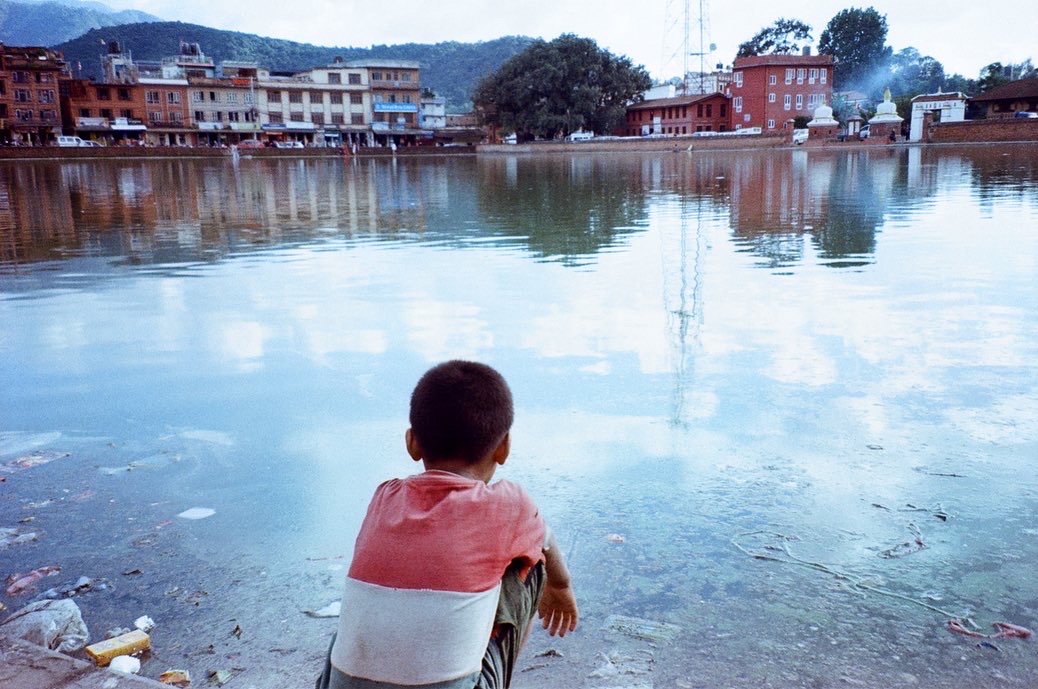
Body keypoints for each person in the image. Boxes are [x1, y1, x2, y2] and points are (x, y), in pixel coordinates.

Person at [317, 360, 578, 689]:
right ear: (504, 448)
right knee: (533, 559)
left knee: (364, 616)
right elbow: (545, 538)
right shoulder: (509, 504)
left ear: (412, 442)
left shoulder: (384, 496)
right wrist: (560, 586)